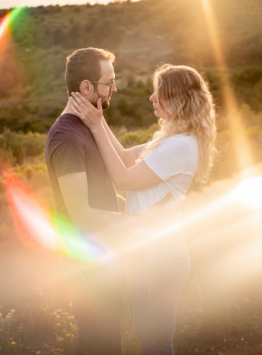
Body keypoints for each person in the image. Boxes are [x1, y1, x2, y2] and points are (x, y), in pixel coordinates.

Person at [69, 63, 217, 355]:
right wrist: (97, 121)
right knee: (153, 342)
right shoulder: (169, 139)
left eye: (158, 93)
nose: (151, 98)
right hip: (154, 253)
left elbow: (122, 178)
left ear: (178, 101)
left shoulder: (181, 146)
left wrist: (96, 125)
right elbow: (124, 158)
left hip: (159, 258)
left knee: (156, 345)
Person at [45, 48, 180, 355]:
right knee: (99, 344)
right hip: (85, 267)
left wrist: (175, 138)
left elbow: (116, 173)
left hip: (104, 260)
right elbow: (81, 214)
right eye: (109, 82)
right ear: (86, 88)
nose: (115, 89)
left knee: (106, 344)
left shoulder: (91, 123)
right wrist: (141, 222)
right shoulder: (66, 137)